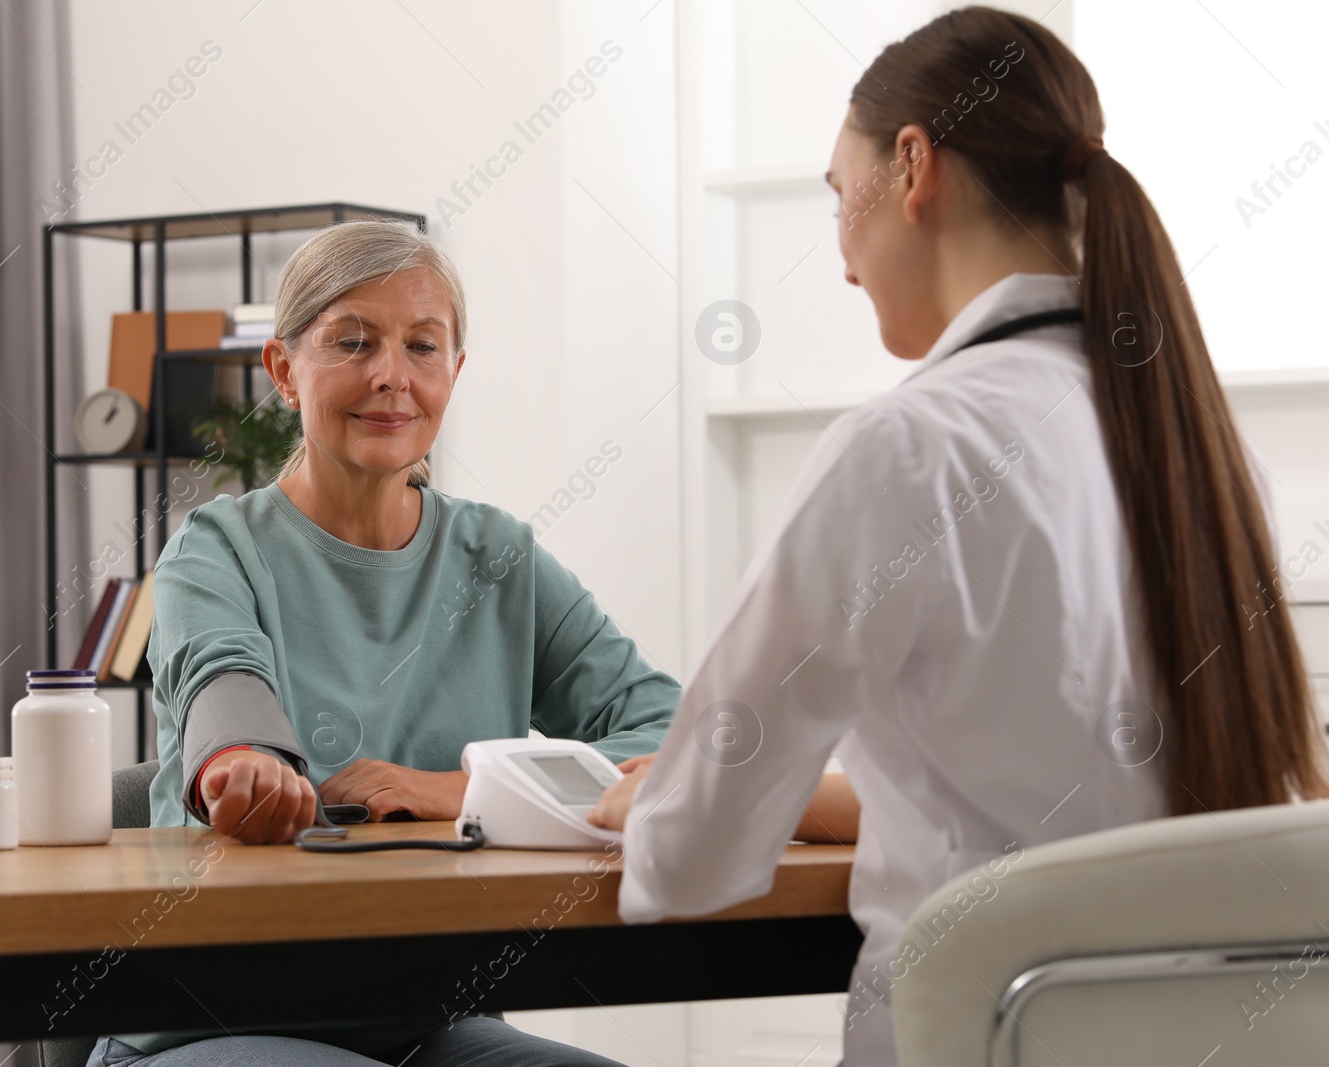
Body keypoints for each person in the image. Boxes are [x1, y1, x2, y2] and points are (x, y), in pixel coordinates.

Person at [588, 8, 1329, 1066]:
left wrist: (652, 802)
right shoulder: (1205, 452)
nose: (841, 257)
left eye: (839, 201)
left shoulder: (906, 448)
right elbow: (1058, 783)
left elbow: (692, 858)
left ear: (912, 166)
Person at [89, 221, 678, 1066]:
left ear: (454, 372)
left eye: (422, 346)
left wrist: (464, 790)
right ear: (285, 371)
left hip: (428, 1020)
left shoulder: (499, 557)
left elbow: (667, 729)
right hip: (213, 1021)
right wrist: (244, 767)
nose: (391, 376)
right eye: (352, 342)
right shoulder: (213, 550)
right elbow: (223, 693)